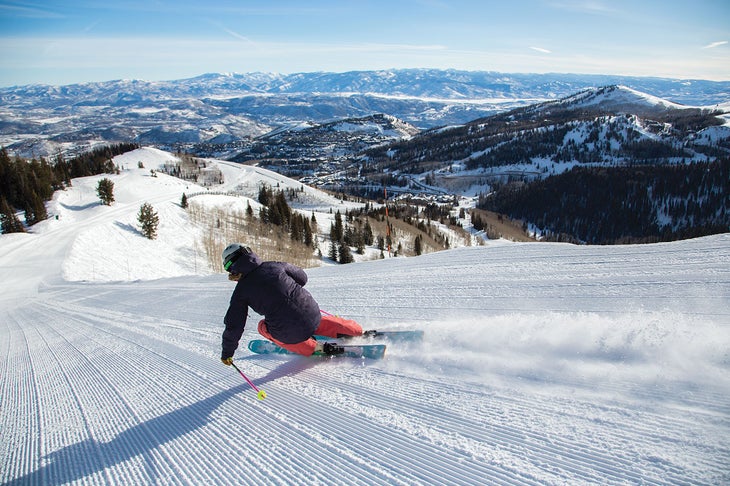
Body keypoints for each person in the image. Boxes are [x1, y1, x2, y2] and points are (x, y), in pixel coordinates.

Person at [219, 243, 363, 364]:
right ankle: (354, 330)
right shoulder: (275, 266)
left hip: (290, 332)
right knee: (310, 317)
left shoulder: (240, 291)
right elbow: (302, 278)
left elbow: (234, 326)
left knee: (262, 326)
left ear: (232, 266)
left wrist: (227, 353)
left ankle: (315, 348)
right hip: (312, 312)